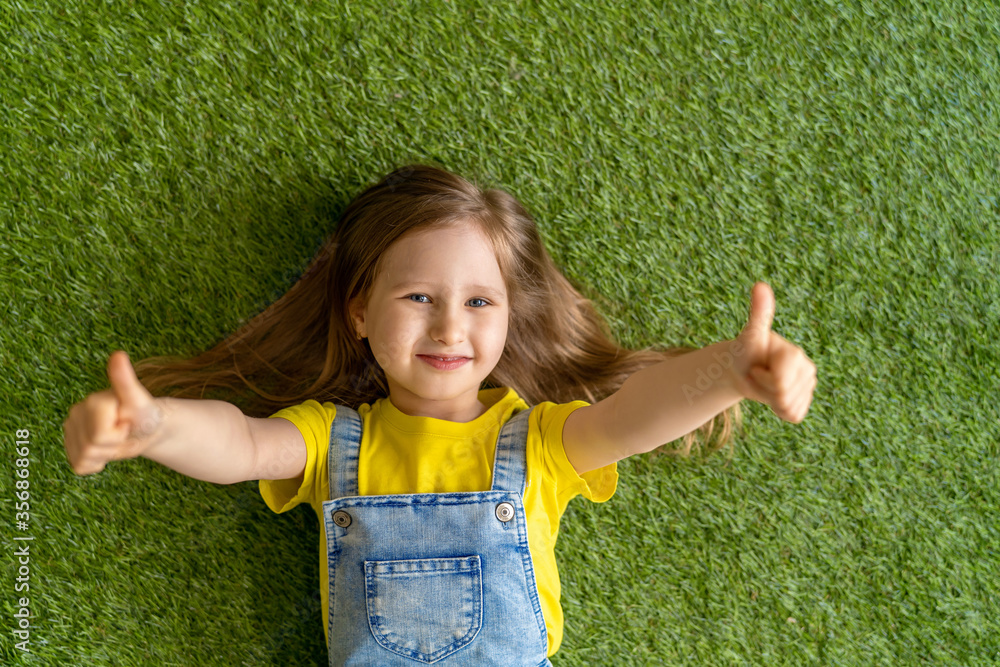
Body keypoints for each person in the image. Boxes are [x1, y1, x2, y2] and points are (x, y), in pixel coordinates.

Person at [63, 163, 817, 665]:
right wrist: (159, 427)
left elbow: (629, 416)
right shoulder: (334, 436)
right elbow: (243, 444)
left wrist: (726, 372)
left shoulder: (540, 440)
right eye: (418, 297)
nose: (451, 327)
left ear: (509, 315)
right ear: (360, 311)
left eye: (479, 301)